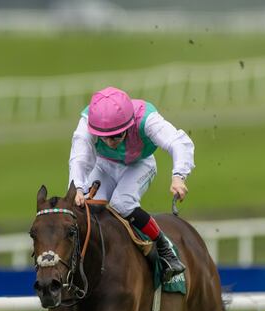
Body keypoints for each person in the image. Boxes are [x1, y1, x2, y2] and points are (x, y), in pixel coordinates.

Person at [67, 86, 192, 282]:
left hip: (139, 164)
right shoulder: (86, 122)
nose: (110, 142)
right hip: (103, 165)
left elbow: (178, 142)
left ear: (129, 124)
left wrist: (178, 175)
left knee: (121, 204)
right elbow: (79, 158)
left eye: (117, 135)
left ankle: (164, 247)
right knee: (87, 210)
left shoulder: (147, 119)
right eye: (104, 136)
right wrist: (78, 189)